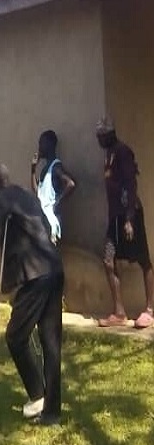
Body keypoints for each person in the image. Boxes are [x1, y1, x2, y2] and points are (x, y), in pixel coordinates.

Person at [0, 162, 63, 425]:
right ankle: (52, 412)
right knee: (50, 342)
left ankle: (37, 396)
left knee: (15, 336)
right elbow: (47, 230)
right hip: (54, 268)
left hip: (34, 276)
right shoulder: (25, 194)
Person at [95, 117, 154, 329]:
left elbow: (131, 184)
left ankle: (149, 310)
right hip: (116, 217)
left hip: (130, 214)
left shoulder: (122, 152)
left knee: (143, 260)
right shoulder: (108, 155)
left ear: (110, 134)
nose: (99, 140)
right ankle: (119, 312)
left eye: (101, 136)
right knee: (108, 260)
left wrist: (129, 219)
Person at [29, 130, 76, 244]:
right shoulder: (46, 168)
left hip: (50, 222)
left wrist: (56, 202)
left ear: (49, 145)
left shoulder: (55, 167)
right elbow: (37, 192)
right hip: (43, 219)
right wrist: (33, 169)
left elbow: (71, 184)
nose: (39, 147)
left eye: (41, 143)